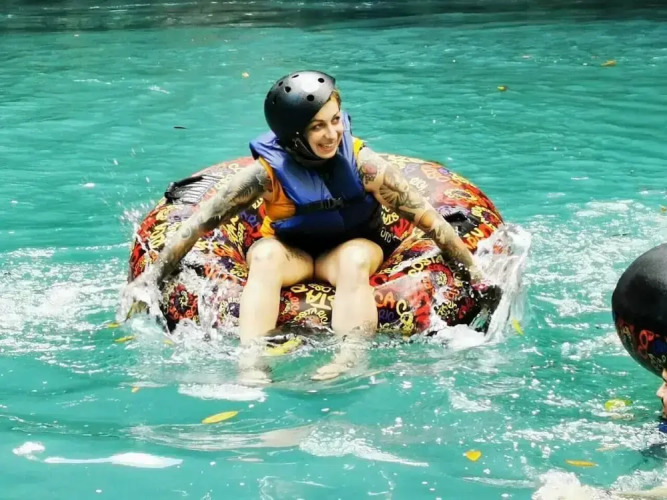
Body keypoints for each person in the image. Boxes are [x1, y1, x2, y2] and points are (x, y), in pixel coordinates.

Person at [124, 70, 482, 383]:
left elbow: (430, 221)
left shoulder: (365, 166)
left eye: (335, 120)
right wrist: (151, 280)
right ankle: (252, 362)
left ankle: (349, 357)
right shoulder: (264, 175)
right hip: (291, 255)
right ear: (293, 134)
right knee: (263, 256)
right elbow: (198, 224)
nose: (332, 134)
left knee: (355, 259)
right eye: (317, 126)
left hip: (351, 249)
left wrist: (477, 275)